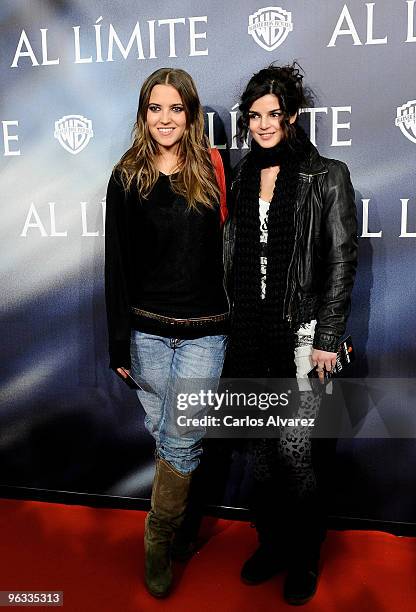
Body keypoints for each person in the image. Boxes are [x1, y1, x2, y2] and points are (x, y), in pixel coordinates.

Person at [224, 63, 358, 605]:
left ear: (293, 116)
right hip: (252, 333)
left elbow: (342, 261)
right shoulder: (238, 177)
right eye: (254, 116)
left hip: (304, 334)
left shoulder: (326, 175)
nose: (262, 125)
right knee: (261, 456)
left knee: (299, 458)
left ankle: (304, 554)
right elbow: (232, 256)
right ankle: (273, 543)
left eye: (273, 114)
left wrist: (328, 335)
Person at [105, 67, 228, 598]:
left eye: (176, 108)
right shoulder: (125, 176)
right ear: (143, 114)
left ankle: (158, 540)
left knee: (180, 442)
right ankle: (180, 526)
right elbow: (118, 267)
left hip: (206, 333)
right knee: (168, 436)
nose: (165, 119)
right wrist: (118, 342)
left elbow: (232, 251)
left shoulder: (214, 167)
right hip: (147, 335)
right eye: (156, 108)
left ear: (191, 114)